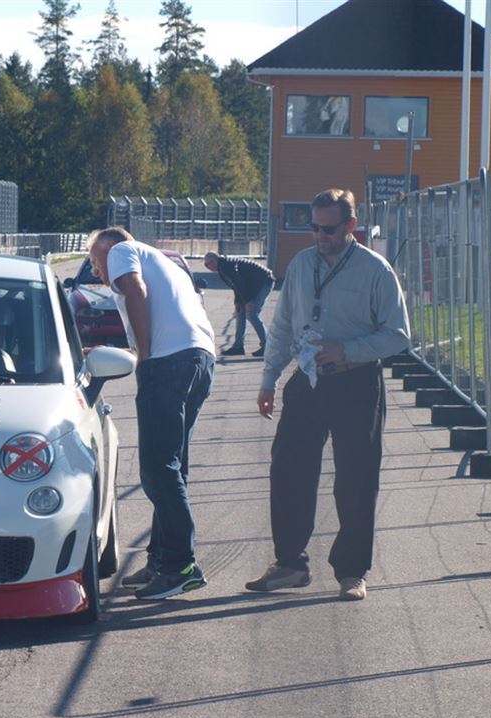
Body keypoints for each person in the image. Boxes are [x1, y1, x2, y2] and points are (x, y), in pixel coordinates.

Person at [249, 188, 410, 602]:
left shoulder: (375, 270)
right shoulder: (302, 265)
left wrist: (347, 350)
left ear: (351, 225)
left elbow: (398, 335)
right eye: (315, 228)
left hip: (356, 382)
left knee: (356, 478)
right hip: (308, 380)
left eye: (329, 229)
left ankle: (352, 571)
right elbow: (283, 325)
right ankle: (290, 564)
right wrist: (269, 379)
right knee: (288, 470)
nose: (320, 236)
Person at [87, 227, 215, 600]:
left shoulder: (121, 250)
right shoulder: (165, 263)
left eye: (94, 260)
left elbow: (136, 291)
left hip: (167, 363)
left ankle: (180, 566)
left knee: (158, 469)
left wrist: (142, 354)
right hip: (199, 359)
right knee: (172, 468)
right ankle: (161, 560)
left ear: (109, 246)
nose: (95, 269)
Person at [203, 252, 274, 357]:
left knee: (252, 314)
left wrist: (248, 301)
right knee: (240, 313)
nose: (207, 267)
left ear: (213, 261)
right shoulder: (222, 267)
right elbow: (235, 286)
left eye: (206, 264)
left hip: (263, 281)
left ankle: (267, 346)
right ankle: (238, 347)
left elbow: (238, 282)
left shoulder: (225, 266)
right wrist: (238, 303)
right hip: (252, 284)